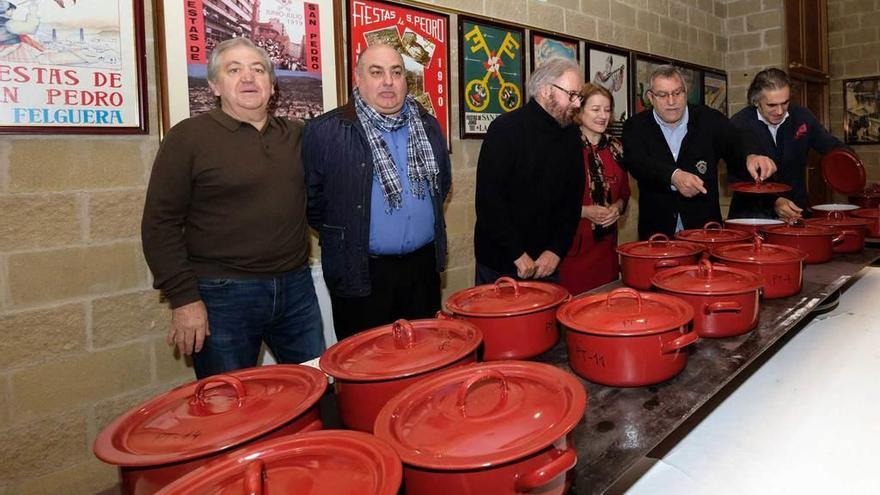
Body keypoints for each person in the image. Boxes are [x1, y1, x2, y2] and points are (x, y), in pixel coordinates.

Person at [141, 37, 323, 378]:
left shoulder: (298, 136)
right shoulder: (188, 138)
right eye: (234, 70)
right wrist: (184, 299)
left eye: (258, 70)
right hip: (222, 297)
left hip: (296, 290)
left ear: (272, 85)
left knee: (315, 387)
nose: (248, 78)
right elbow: (159, 225)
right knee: (229, 409)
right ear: (214, 85)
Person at [303, 44, 451, 341]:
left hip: (422, 271)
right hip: (361, 273)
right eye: (376, 72)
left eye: (396, 72)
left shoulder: (428, 125)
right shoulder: (326, 131)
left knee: (424, 358)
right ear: (358, 79)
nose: (388, 81)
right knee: (367, 366)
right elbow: (313, 204)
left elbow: (442, 184)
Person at [622, 65, 776, 239]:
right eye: (663, 95)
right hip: (657, 233)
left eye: (677, 93)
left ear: (686, 92)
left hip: (704, 231)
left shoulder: (710, 120)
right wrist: (674, 176)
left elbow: (736, 142)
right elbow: (638, 162)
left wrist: (751, 156)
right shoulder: (636, 127)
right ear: (651, 97)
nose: (671, 101)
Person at [474, 57, 585, 284]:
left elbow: (572, 201)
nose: (577, 104)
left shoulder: (572, 135)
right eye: (572, 94)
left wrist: (556, 250)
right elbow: (489, 202)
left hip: (548, 264)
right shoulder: (505, 129)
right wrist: (517, 253)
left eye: (579, 96)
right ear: (546, 90)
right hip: (501, 264)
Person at [728, 68, 848, 220]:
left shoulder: (802, 116)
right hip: (753, 216)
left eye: (785, 103)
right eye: (772, 105)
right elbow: (740, 176)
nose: (779, 111)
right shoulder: (739, 124)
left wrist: (851, 162)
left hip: (796, 210)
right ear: (756, 101)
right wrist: (775, 202)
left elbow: (831, 146)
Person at [559, 83, 631, 295]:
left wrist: (617, 208)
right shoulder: (564, 147)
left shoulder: (616, 147)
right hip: (572, 249)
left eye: (607, 110)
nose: (603, 116)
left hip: (607, 248)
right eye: (596, 109)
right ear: (580, 112)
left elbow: (625, 192)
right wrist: (584, 211)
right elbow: (549, 199)